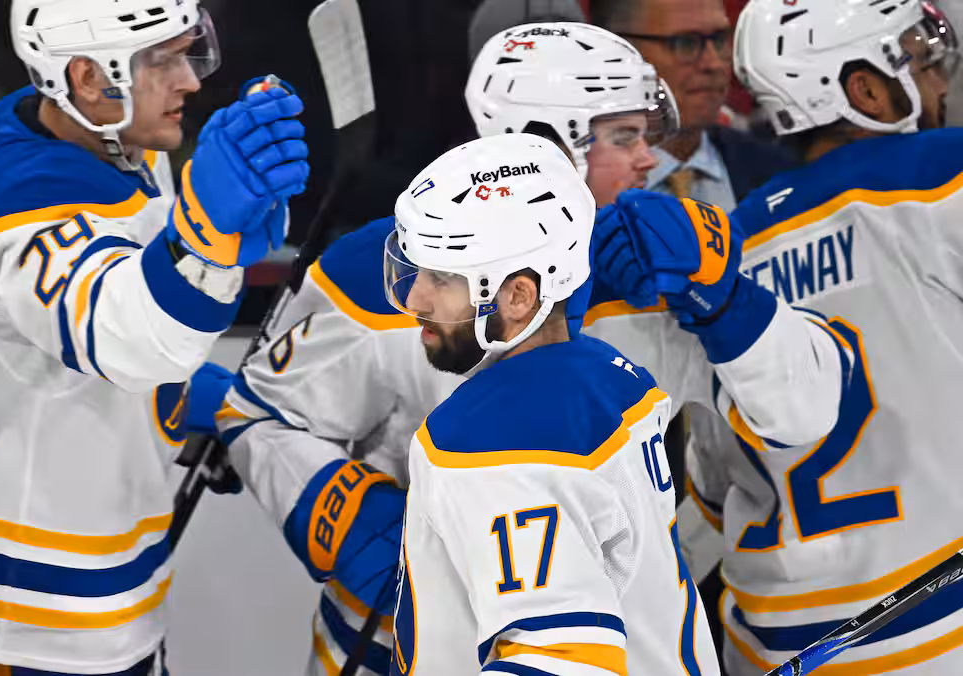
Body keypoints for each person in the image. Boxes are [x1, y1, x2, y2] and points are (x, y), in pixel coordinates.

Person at [210, 22, 845, 675]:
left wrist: (728, 299)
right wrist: (344, 516)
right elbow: (256, 414)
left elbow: (806, 412)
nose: (650, 159)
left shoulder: (667, 270)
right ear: (546, 145)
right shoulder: (389, 274)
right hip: (394, 649)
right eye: (623, 136)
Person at [0, 0, 309, 672]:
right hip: (6, 616)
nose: (190, 80)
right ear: (87, 76)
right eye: (161, 61)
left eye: (190, 51)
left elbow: (93, 309)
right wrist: (207, 229)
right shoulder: (20, 197)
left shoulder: (83, 135)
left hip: (69, 602)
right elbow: (137, 339)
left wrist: (186, 397)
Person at [669, 0, 963, 673]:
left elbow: (710, 490)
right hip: (942, 629)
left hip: (771, 644)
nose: (938, 81)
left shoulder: (720, 253)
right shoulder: (943, 174)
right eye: (919, 60)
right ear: (865, 91)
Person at [385, 131, 721, 675]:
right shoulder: (608, 375)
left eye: (442, 277)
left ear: (518, 296)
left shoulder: (489, 439)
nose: (416, 297)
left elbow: (563, 661)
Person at [589, 0, 797, 209]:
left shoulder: (780, 175)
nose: (714, 63)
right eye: (686, 43)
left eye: (719, 39)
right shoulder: (577, 189)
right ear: (615, 51)